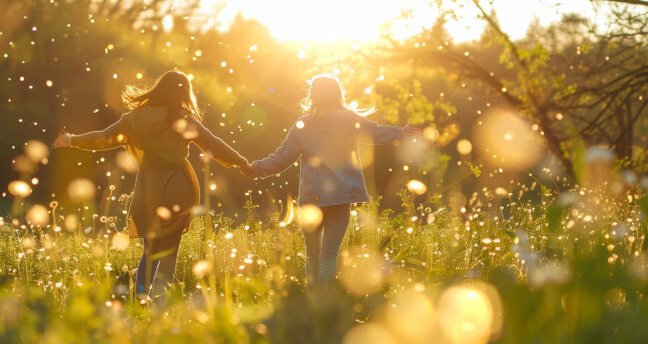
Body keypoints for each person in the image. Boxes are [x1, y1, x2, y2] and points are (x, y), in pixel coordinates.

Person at [53, 70, 251, 302]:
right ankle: (161, 306)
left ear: (158, 89)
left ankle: (140, 303)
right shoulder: (183, 119)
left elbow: (104, 137)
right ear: (183, 94)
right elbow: (213, 144)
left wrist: (70, 140)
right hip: (178, 191)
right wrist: (241, 162)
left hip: (148, 191)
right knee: (168, 255)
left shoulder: (134, 119)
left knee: (150, 254)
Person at [245, 74, 421, 284]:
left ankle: (312, 302)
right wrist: (401, 133)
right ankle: (325, 302)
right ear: (337, 94)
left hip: (312, 198)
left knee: (312, 255)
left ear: (313, 96)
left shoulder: (303, 124)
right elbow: (375, 133)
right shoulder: (349, 119)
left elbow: (282, 158)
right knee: (329, 255)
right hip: (340, 196)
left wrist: (255, 168)